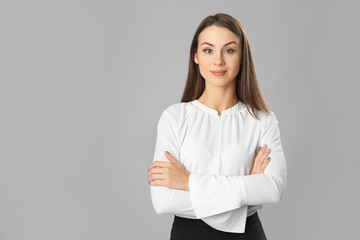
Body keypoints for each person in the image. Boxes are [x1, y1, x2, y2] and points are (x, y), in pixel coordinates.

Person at [147, 13, 287, 240]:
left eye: (229, 50)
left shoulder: (262, 120)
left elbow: (273, 189)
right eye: (208, 50)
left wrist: (188, 182)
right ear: (195, 56)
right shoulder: (174, 117)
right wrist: (247, 189)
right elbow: (163, 201)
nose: (218, 61)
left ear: (242, 57)